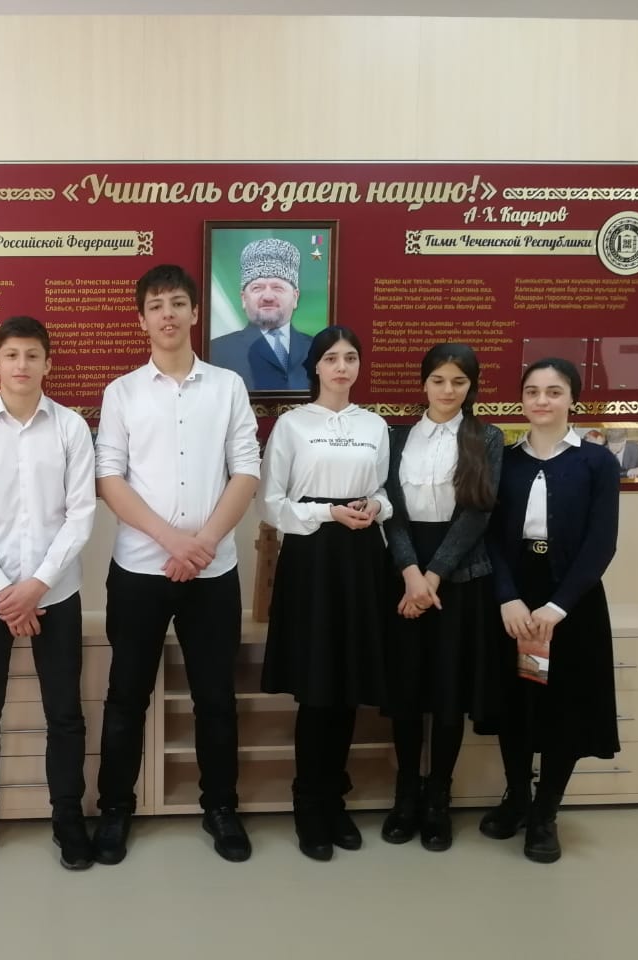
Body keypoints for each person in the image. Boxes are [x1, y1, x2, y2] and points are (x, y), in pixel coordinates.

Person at [94, 264, 260, 865]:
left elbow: (247, 469)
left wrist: (204, 543)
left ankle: (221, 807)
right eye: (156, 305)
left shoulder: (228, 387)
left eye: (177, 303)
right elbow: (108, 478)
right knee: (126, 695)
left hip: (212, 573)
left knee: (215, 697)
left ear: (194, 313)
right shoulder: (122, 392)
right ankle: (115, 809)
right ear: (141, 319)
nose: (167, 314)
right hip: (140, 570)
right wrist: (172, 540)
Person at [0, 316, 97, 871]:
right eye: (11, 355)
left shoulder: (72, 429)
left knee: (65, 713)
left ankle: (68, 818)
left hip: (56, 592)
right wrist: (7, 592)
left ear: (48, 363)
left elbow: (81, 516)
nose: (22, 365)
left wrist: (36, 586)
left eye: (32, 355)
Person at [480, 358, 620, 864]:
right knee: (516, 703)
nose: (542, 400)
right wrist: (507, 596)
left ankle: (545, 812)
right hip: (514, 600)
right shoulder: (504, 460)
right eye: (532, 391)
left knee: (564, 709)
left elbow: (602, 542)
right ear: (521, 399)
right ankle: (517, 796)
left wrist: (558, 607)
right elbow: (490, 537)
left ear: (572, 400)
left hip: (571, 603)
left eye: (554, 391)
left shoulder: (597, 462)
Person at [259, 326, 391, 862]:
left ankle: (335, 798)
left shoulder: (375, 425)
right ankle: (308, 802)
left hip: (361, 560)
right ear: (314, 366)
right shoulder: (292, 425)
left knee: (348, 685)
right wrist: (327, 512)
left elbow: (383, 490)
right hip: (312, 558)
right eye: (331, 358)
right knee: (317, 688)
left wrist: (374, 506)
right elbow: (271, 503)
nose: (342, 367)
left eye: (350, 358)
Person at [380, 343, 504, 851]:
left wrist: (432, 578)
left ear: (471, 386)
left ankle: (438, 799)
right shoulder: (395, 437)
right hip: (403, 572)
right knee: (406, 692)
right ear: (423, 383)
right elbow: (390, 508)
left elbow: (477, 514)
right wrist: (411, 573)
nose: (448, 390)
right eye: (438, 380)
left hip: (460, 577)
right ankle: (406, 793)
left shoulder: (487, 437)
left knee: (450, 692)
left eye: (458, 381)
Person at [209, 237, 312, 391]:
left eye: (277, 288)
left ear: (295, 297)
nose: (268, 297)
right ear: (244, 299)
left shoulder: (317, 348)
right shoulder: (217, 351)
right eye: (257, 288)